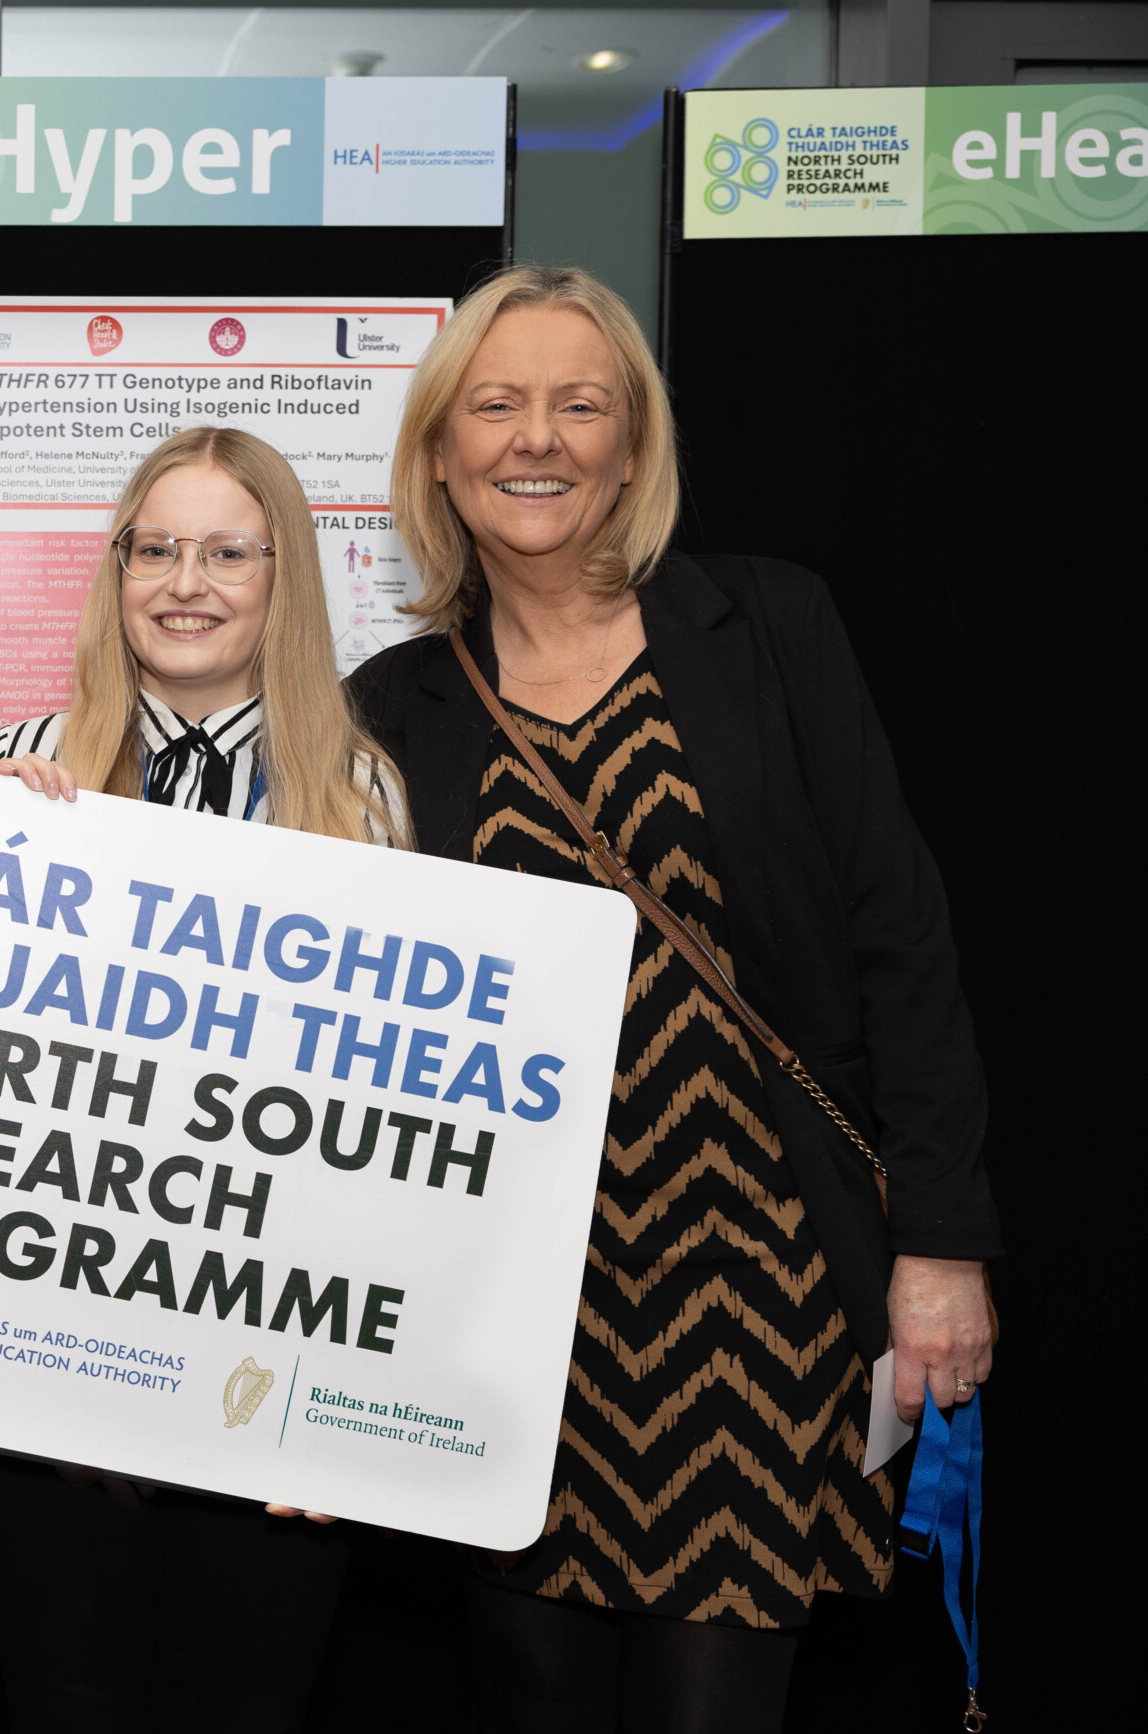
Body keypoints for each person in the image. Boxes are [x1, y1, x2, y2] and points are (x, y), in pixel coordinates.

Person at [344, 265, 1001, 1733]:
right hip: (510, 1299)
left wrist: (943, 1244)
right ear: (440, 452)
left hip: (750, 1283)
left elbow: (903, 935)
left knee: (714, 1698)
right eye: (496, 404)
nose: (539, 437)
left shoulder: (768, 629)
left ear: (633, 447)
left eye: (582, 404)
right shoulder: (393, 704)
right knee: (526, 1688)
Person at [0, 427, 407, 1732]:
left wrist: (343, 1407)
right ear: (115, 572)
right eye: (154, 548)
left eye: (227, 551)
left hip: (267, 1389)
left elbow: (383, 1127)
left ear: (285, 578)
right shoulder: (20, 765)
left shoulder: (362, 793)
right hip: (43, 1388)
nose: (186, 580)